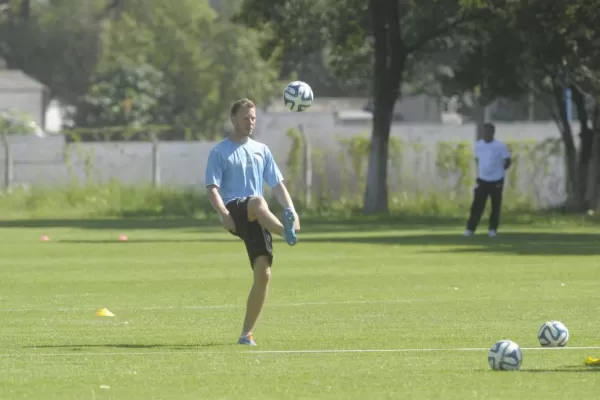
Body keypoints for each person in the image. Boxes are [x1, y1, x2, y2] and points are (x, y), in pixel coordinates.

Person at [204, 98, 300, 346]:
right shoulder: (219, 151)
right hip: (236, 209)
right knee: (257, 201)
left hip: (258, 217)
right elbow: (212, 188)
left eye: (253, 118)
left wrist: (292, 210)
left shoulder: (262, 150)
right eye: (245, 118)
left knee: (264, 274)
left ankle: (246, 334)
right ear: (233, 119)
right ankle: (284, 231)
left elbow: (277, 184)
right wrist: (223, 214)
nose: (250, 122)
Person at [464, 122, 512, 237]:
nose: (485, 134)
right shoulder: (478, 145)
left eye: (488, 132)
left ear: (492, 133)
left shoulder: (500, 146)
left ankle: (492, 229)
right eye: (484, 132)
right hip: (482, 179)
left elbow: (507, 161)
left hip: (496, 180)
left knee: (495, 206)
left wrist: (499, 171)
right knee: (477, 205)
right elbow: (477, 159)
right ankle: (470, 229)